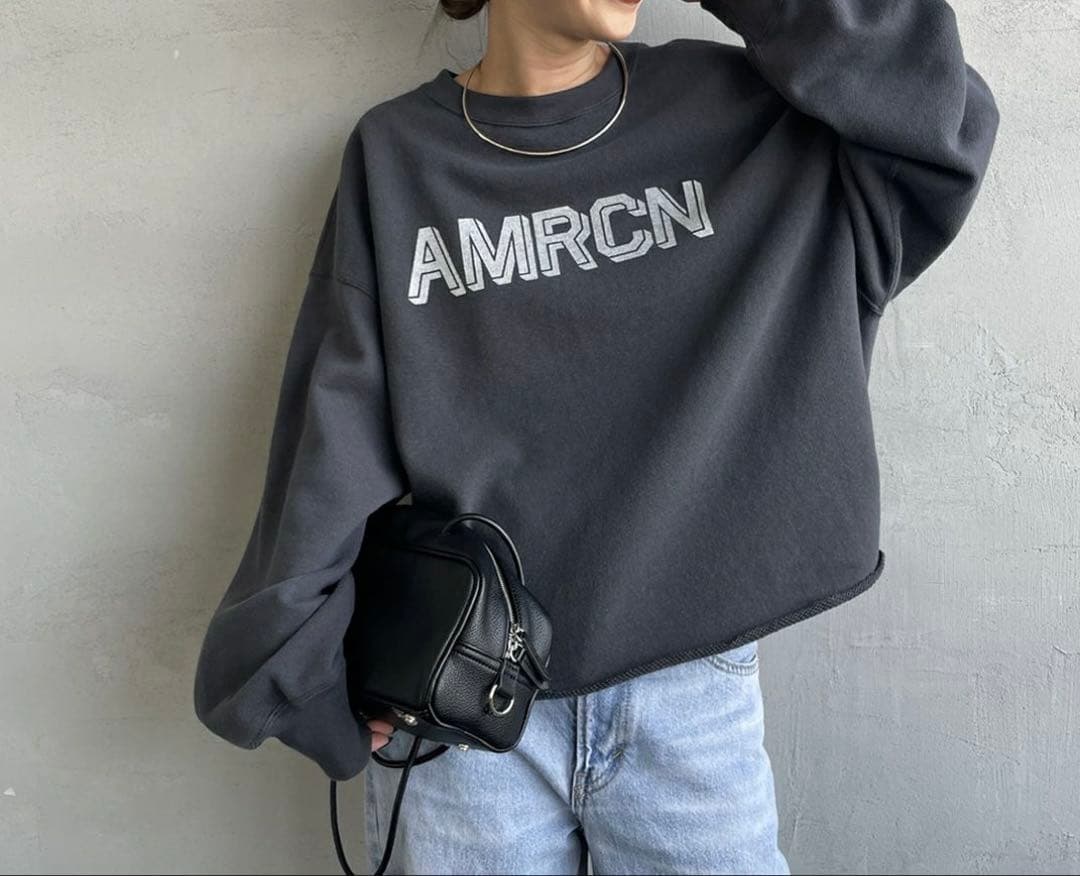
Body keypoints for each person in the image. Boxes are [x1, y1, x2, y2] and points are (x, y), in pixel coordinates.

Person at [192, 0, 999, 873]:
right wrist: (304, 674)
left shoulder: (735, 108)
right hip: (461, 709)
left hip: (693, 700)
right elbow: (335, 424)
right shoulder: (399, 154)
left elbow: (935, 117)